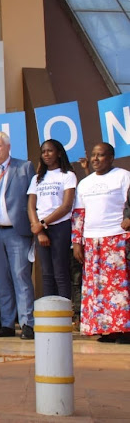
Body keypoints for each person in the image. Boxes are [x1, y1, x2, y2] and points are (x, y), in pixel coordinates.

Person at [0, 131, 36, 340]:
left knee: (21, 277)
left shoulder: (24, 167)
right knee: (1, 280)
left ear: (8, 147)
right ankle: (8, 323)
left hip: (17, 232)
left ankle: (28, 323)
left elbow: (32, 199)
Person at [72, 142, 130, 343]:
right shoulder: (85, 183)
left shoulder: (123, 176)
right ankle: (106, 329)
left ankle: (123, 330)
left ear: (111, 157)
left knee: (118, 287)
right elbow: (79, 214)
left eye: (101, 155)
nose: (96, 159)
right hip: (91, 240)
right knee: (96, 287)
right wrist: (77, 242)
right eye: (94, 155)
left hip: (116, 238)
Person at [27, 139, 76, 299]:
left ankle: (65, 316)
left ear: (59, 153)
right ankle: (50, 316)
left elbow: (66, 206)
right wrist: (38, 229)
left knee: (60, 271)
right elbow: (31, 206)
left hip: (60, 226)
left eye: (50, 151)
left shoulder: (68, 175)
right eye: (43, 152)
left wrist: (42, 224)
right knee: (46, 274)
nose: (46, 154)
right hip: (40, 229)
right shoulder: (37, 178)